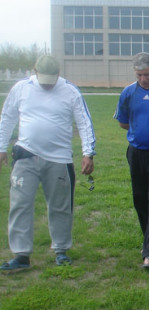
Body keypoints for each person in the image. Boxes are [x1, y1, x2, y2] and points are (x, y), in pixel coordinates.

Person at [0, 55, 96, 270]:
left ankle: (61, 250)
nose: (46, 84)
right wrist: (1, 148)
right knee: (20, 205)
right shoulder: (21, 88)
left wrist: (88, 153)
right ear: (34, 71)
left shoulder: (70, 91)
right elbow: (7, 117)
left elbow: (84, 121)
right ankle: (21, 255)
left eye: (51, 79)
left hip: (59, 158)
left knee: (61, 207)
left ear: (59, 74)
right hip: (25, 155)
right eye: (43, 79)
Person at [114, 52, 149, 269]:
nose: (143, 79)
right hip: (136, 153)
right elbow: (123, 123)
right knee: (140, 199)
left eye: (146, 74)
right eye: (139, 75)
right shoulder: (128, 92)